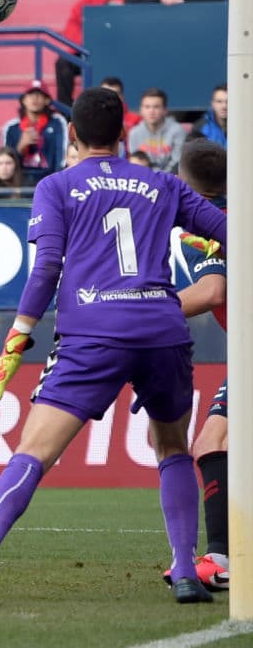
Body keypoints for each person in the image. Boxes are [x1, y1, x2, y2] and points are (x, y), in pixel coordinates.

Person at [0, 87, 227, 607]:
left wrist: (17, 338)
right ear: (124, 134)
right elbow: (231, 230)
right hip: (163, 330)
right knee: (172, 449)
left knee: (33, 452)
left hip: (94, 332)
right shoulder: (163, 183)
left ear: (72, 134)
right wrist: (204, 238)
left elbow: (47, 267)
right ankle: (187, 571)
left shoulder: (58, 186)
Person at [173, 138, 229, 591]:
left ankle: (222, 557)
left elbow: (213, 291)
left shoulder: (199, 225)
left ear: (179, 178)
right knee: (215, 440)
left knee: (212, 441)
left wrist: (148, 308)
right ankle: (224, 556)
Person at [55, 0, 130, 106]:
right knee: (63, 63)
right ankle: (67, 112)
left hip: (123, 53)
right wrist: (87, 44)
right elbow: (72, 25)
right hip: (91, 53)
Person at [0, 80, 69, 184]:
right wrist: (21, 146)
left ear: (47, 100)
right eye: (30, 94)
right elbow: (5, 161)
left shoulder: (58, 122)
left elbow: (62, 157)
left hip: (49, 180)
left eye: (39, 95)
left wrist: (56, 183)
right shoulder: (11, 127)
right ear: (23, 100)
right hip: (18, 182)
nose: (34, 98)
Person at [126, 87, 186, 173]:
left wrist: (161, 179)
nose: (151, 111)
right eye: (147, 107)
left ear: (165, 110)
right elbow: (136, 163)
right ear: (141, 110)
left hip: (170, 180)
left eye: (156, 107)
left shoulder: (178, 131)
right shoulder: (134, 133)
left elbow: (177, 162)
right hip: (144, 180)